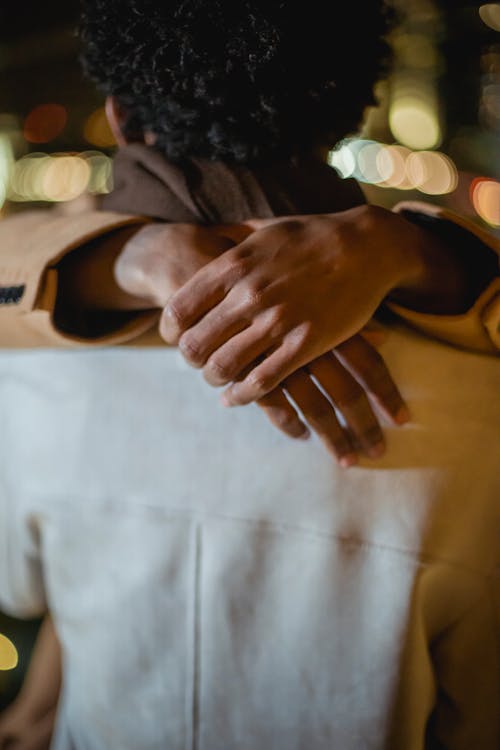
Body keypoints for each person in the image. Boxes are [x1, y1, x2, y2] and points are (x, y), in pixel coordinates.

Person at [0, 0, 498, 748]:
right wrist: (413, 250)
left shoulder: (36, 379)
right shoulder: (481, 402)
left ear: (121, 116)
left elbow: (21, 586)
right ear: (347, 114)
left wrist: (122, 257)